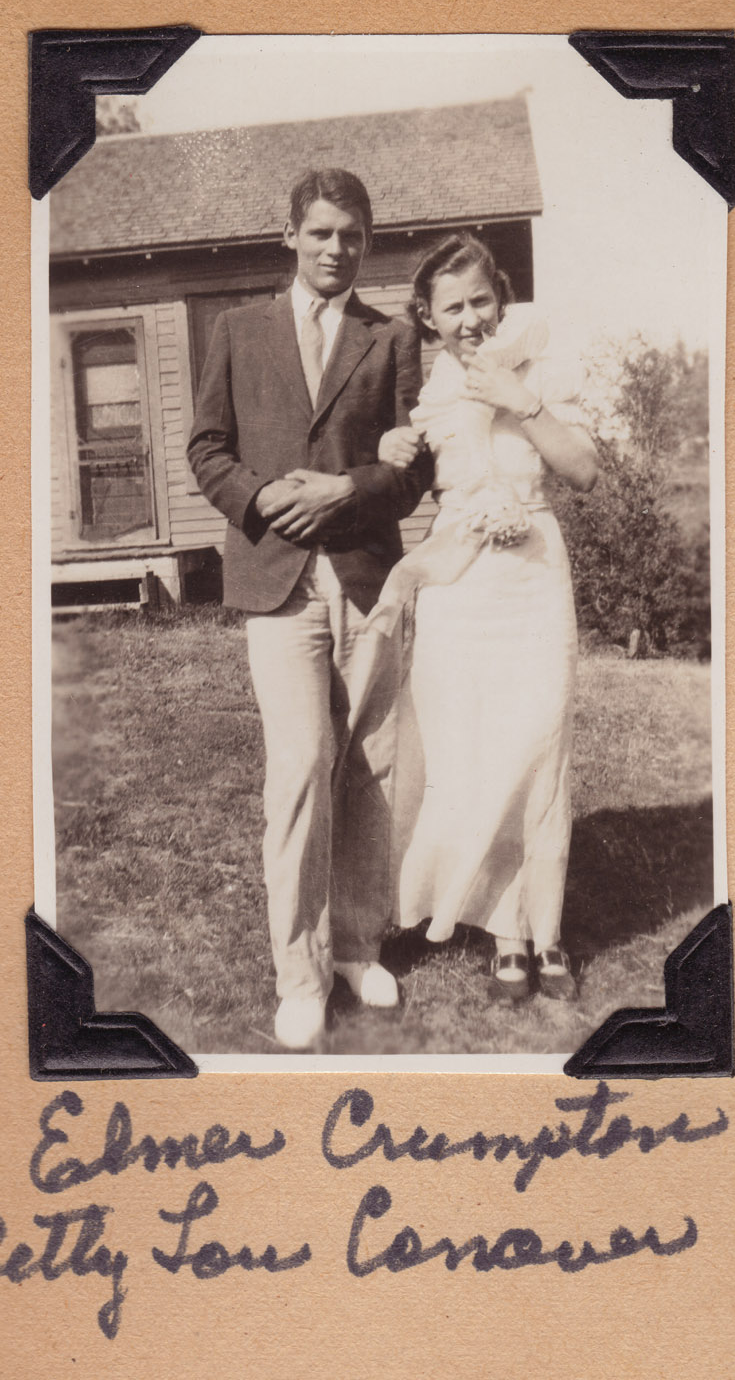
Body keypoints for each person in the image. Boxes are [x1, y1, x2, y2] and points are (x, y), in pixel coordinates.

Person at [187, 169, 432, 1049]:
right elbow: (207, 447)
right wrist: (262, 500)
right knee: (299, 768)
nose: (336, 249)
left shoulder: (391, 337)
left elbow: (414, 468)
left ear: (367, 242)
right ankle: (299, 973)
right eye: (321, 232)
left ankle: (358, 947)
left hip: (366, 577)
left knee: (367, 764)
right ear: (289, 234)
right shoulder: (236, 329)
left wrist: (347, 488)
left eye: (351, 235)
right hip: (276, 580)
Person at [377, 233, 598, 1003]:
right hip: (458, 585)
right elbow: (400, 478)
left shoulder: (538, 367)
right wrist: (391, 445)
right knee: (471, 748)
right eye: (452, 307)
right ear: (427, 317)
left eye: (480, 300)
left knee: (537, 745)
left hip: (533, 578)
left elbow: (583, 470)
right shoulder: (424, 391)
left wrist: (519, 401)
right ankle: (506, 933)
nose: (469, 318)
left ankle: (547, 930)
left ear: (500, 299)